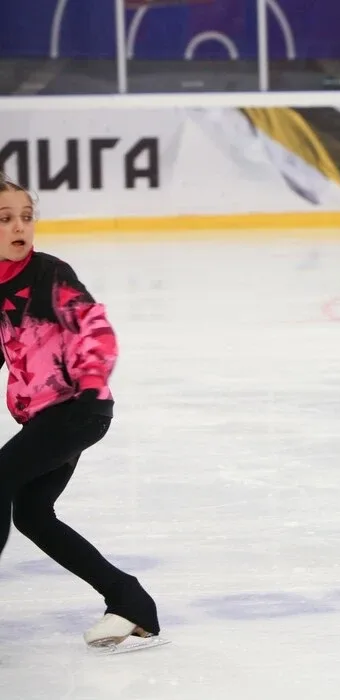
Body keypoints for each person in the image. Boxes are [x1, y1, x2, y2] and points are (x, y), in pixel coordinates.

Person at [0, 175, 163, 652]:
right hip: (47, 417)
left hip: (77, 408)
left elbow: (94, 327)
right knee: (32, 514)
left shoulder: (48, 273)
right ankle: (130, 601)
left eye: (26, 216)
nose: (20, 227)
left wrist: (91, 385)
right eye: (5, 219)